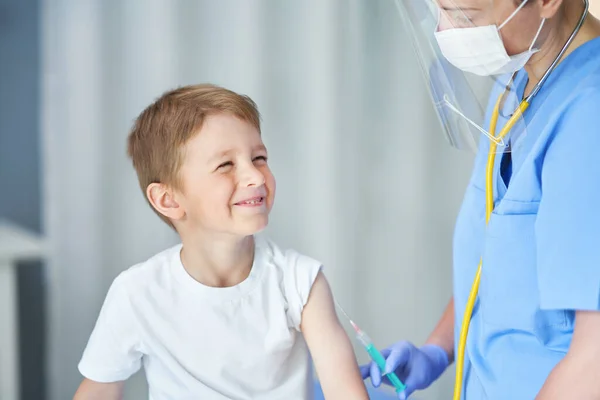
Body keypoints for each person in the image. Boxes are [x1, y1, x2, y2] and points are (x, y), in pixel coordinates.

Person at [361, 0, 600, 399]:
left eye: (464, 16)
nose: (447, 32)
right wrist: (438, 349)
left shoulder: (588, 116)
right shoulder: (518, 82)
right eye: (439, 11)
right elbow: (498, 257)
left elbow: (594, 360)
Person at [73, 84, 369, 400]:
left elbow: (343, 391)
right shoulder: (137, 292)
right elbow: (100, 389)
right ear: (168, 200)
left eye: (259, 157)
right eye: (225, 165)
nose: (255, 177)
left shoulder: (301, 281)